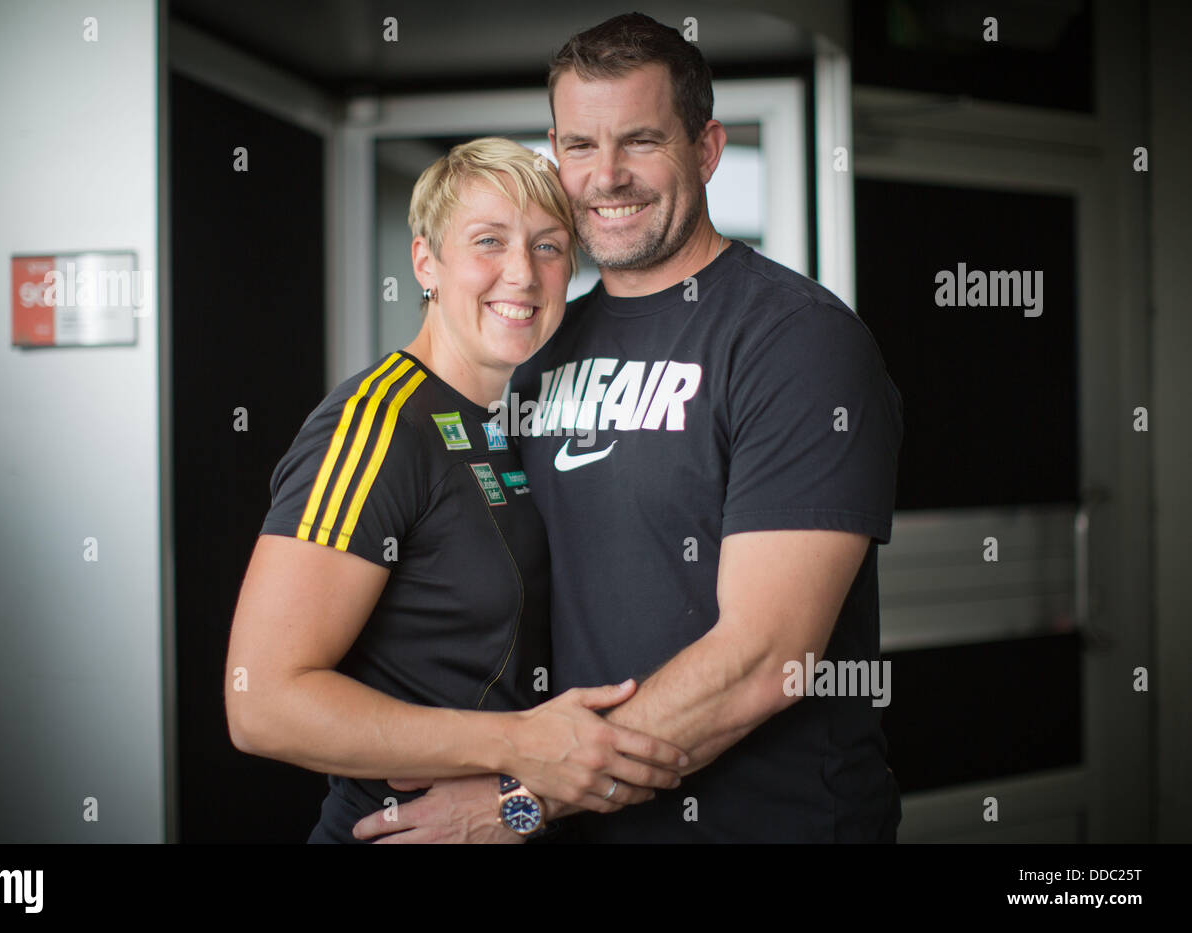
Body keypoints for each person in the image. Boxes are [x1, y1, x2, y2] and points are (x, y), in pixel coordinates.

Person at [352, 13, 905, 843]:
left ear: (707, 149)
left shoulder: (798, 342)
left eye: (640, 141)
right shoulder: (536, 351)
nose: (606, 177)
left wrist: (520, 797)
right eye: (580, 146)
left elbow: (766, 657)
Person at [223, 136, 689, 844]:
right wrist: (514, 743)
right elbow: (261, 704)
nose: (522, 275)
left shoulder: (502, 421)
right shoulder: (376, 424)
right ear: (425, 263)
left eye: (548, 247)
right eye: (488, 242)